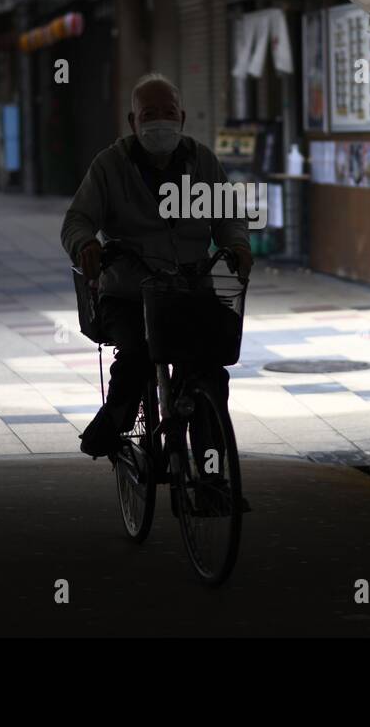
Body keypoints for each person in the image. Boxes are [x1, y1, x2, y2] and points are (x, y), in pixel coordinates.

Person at [62, 73, 253, 459]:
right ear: (132, 122)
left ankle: (211, 472)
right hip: (129, 291)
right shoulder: (109, 166)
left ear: (181, 117)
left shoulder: (202, 162)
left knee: (209, 371)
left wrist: (237, 243)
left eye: (168, 112)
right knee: (135, 357)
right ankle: (114, 420)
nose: (159, 121)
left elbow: (229, 216)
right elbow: (77, 220)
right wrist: (84, 244)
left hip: (190, 289)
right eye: (149, 113)